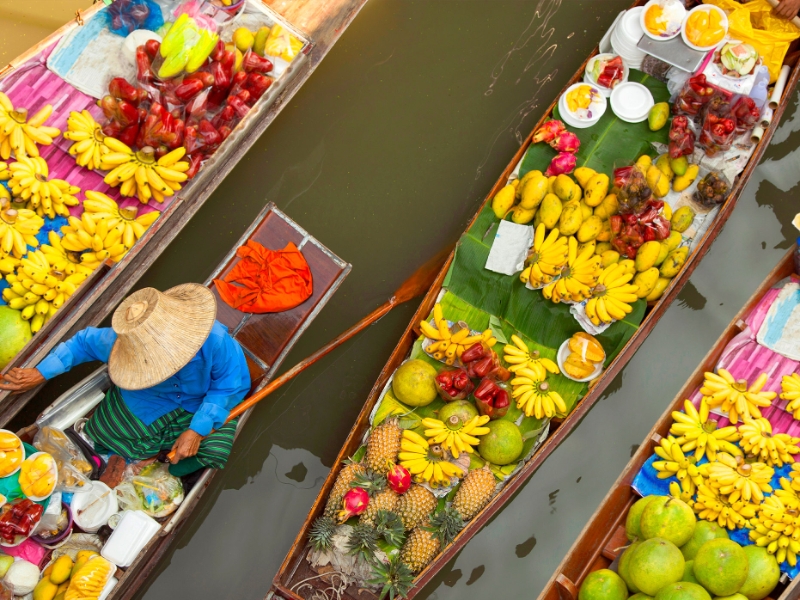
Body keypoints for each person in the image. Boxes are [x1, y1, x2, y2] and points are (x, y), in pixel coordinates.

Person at [0, 283, 250, 477]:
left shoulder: (216, 341)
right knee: (104, 431)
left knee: (214, 449)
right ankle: (141, 458)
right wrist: (41, 372)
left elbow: (229, 386)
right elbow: (82, 343)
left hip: (202, 403)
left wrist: (196, 429)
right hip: (149, 398)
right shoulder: (124, 343)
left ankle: (162, 464)